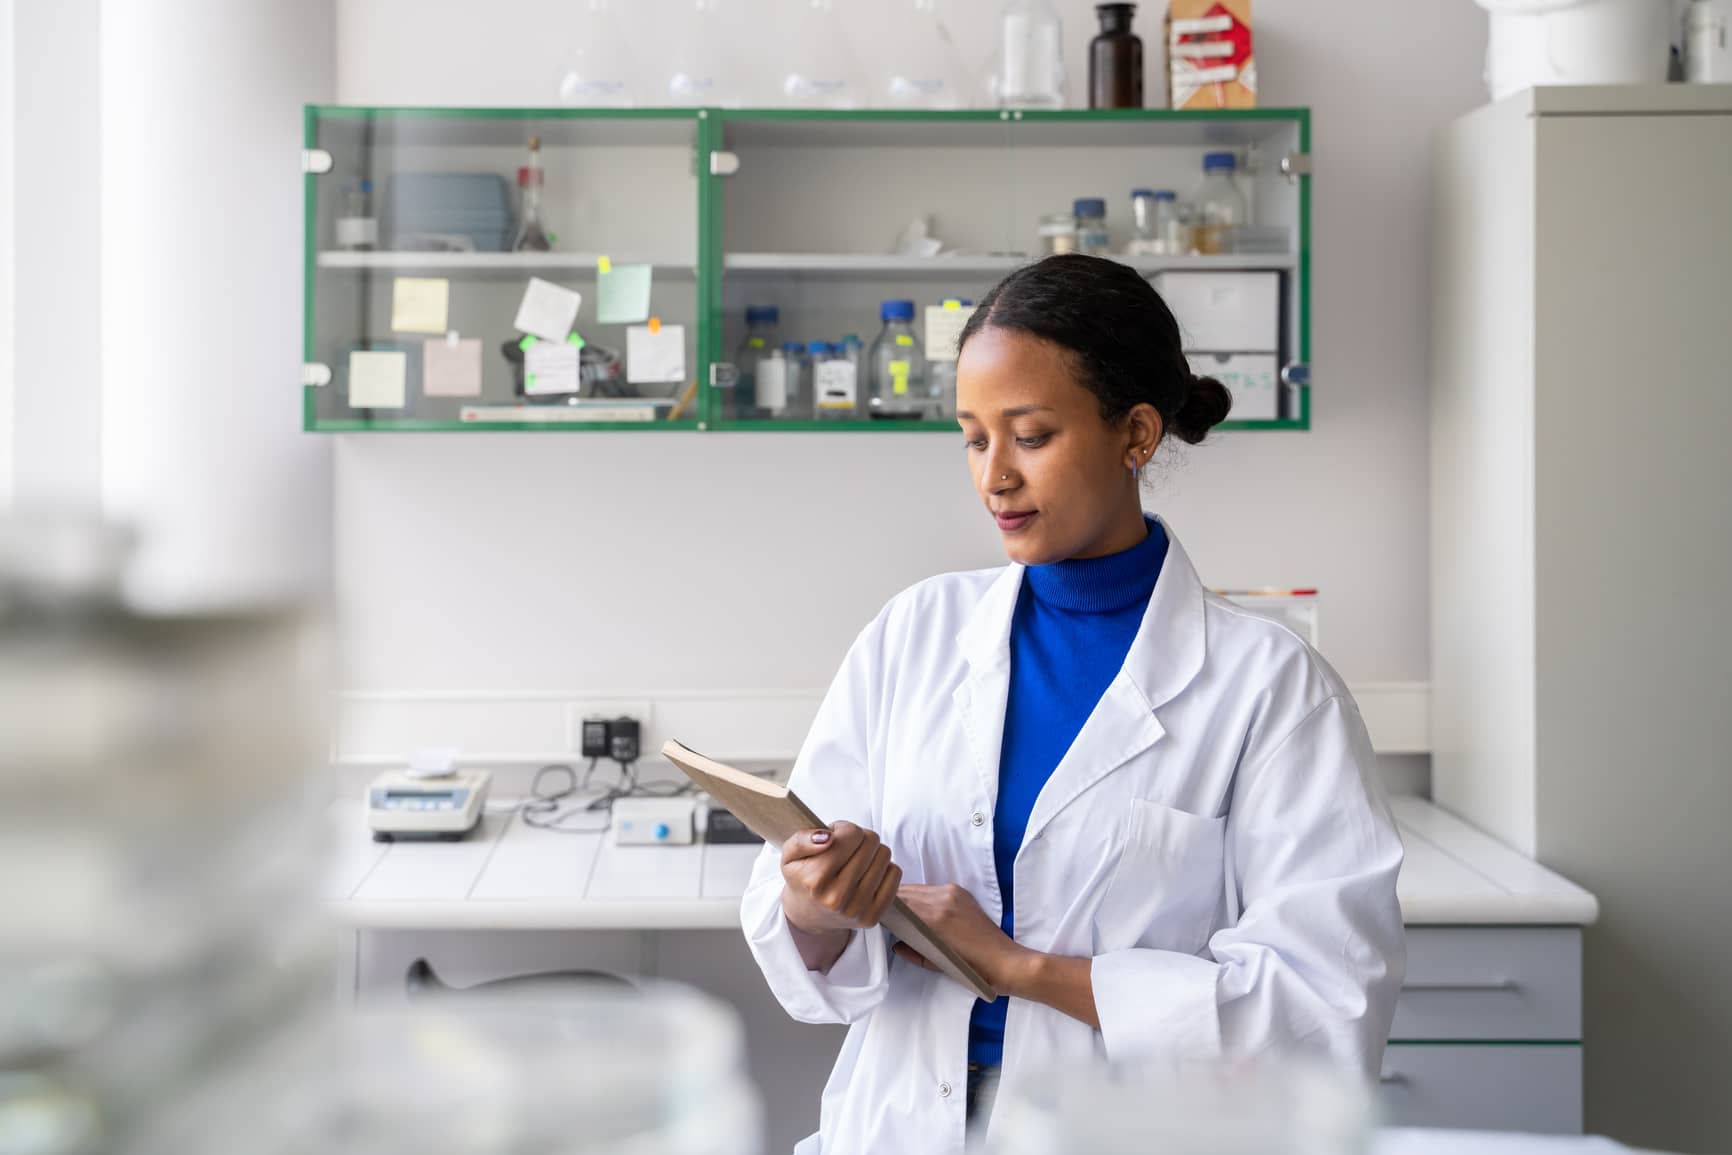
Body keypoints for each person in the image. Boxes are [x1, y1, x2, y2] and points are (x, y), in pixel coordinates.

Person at [739, 254, 1405, 1155]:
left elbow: (1322, 1013)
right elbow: (799, 945)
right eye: (975, 438)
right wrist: (817, 901)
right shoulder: (915, 634)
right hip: (900, 1125)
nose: (994, 477)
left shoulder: (1271, 688)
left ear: (1135, 432)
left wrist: (1022, 968)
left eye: (1031, 435)